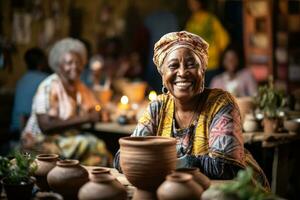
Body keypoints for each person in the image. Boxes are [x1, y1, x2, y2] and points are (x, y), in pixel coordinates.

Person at [114, 31, 269, 190]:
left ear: (203, 70)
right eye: (173, 66)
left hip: (237, 191)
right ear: (162, 75)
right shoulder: (158, 107)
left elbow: (226, 167)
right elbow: (124, 157)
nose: (182, 73)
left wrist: (170, 162)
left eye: (191, 64)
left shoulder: (221, 103)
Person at [21, 38, 111, 166]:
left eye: (78, 62)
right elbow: (45, 126)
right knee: (94, 145)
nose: (74, 66)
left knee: (97, 156)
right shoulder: (48, 86)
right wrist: (86, 118)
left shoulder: (79, 87)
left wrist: (101, 113)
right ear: (59, 66)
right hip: (39, 141)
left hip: (64, 139)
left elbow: (96, 107)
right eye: (69, 63)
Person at [185, 0, 230, 86]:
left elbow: (224, 40)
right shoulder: (191, 21)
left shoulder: (210, 19)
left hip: (212, 64)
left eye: (194, 2)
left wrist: (220, 56)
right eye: (190, 3)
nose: (192, 5)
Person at [11, 48, 48, 134]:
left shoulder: (22, 79)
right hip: (26, 131)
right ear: (41, 62)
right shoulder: (46, 80)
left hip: (14, 129)